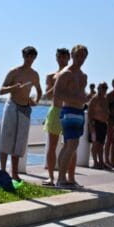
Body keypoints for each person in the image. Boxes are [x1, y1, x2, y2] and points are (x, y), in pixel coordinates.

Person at [0, 46, 43, 181]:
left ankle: (14, 173)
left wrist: (36, 100)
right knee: (6, 138)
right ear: (23, 56)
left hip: (25, 108)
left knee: (19, 141)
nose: (30, 59)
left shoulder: (34, 74)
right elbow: (1, 90)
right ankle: (3, 171)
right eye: (28, 56)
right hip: (12, 106)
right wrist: (13, 87)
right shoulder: (14, 72)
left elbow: (39, 90)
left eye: (32, 56)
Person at [54, 44, 89, 188]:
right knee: (72, 144)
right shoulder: (66, 73)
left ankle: (65, 178)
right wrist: (77, 99)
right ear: (72, 56)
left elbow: (81, 94)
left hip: (79, 112)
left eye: (83, 56)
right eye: (78, 55)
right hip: (68, 111)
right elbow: (57, 94)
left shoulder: (83, 75)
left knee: (69, 145)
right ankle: (61, 179)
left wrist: (87, 98)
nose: (81, 59)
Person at [42, 48, 71, 186]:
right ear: (56, 58)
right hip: (55, 110)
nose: (62, 59)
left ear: (69, 58)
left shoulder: (72, 74)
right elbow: (47, 95)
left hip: (69, 110)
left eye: (65, 57)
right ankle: (51, 177)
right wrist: (57, 83)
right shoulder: (51, 76)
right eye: (60, 57)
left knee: (70, 145)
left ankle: (68, 178)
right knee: (52, 146)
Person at [87, 82, 109, 169]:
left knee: (101, 144)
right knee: (95, 144)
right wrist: (91, 126)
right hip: (95, 124)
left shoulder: (105, 99)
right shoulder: (94, 99)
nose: (104, 89)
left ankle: (101, 162)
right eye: (102, 87)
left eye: (106, 87)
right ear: (98, 88)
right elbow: (89, 113)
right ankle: (95, 162)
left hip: (103, 124)